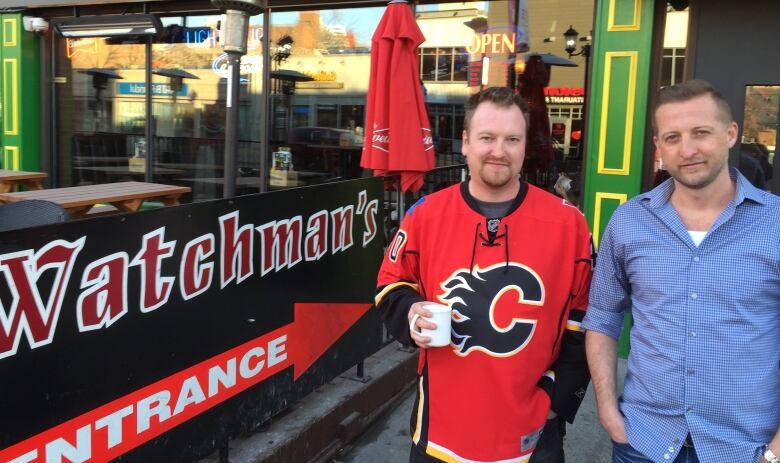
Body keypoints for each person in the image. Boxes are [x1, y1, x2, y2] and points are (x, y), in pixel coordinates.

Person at [375, 87, 593, 463]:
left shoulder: (568, 223)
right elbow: (391, 285)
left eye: (512, 139)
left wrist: (558, 400)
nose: (499, 150)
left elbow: (586, 317)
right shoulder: (425, 215)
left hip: (532, 437)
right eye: (487, 138)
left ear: (526, 145)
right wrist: (410, 313)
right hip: (440, 435)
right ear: (465, 142)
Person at [583, 79, 780, 463]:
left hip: (746, 449)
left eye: (700, 133)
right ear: (658, 147)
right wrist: (608, 412)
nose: (687, 150)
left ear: (730, 134)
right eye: (672, 137)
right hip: (643, 443)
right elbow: (603, 317)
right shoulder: (629, 222)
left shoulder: (774, 223)